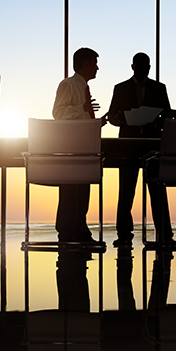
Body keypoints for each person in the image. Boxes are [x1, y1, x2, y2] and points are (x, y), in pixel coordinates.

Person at [107, 52, 174, 247]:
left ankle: (164, 233)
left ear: (149, 68)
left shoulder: (159, 88)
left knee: (157, 189)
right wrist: (118, 118)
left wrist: (157, 123)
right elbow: (111, 115)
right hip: (128, 144)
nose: (143, 70)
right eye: (140, 66)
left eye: (146, 67)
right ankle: (124, 234)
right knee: (126, 190)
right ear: (133, 67)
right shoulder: (120, 88)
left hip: (152, 144)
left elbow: (167, 114)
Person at [52, 47, 102, 244]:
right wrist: (83, 109)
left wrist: (94, 122)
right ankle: (68, 231)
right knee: (71, 190)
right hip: (71, 146)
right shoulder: (69, 85)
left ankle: (79, 229)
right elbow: (58, 113)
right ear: (85, 64)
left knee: (83, 190)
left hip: (84, 145)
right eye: (95, 63)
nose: (97, 68)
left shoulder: (83, 87)